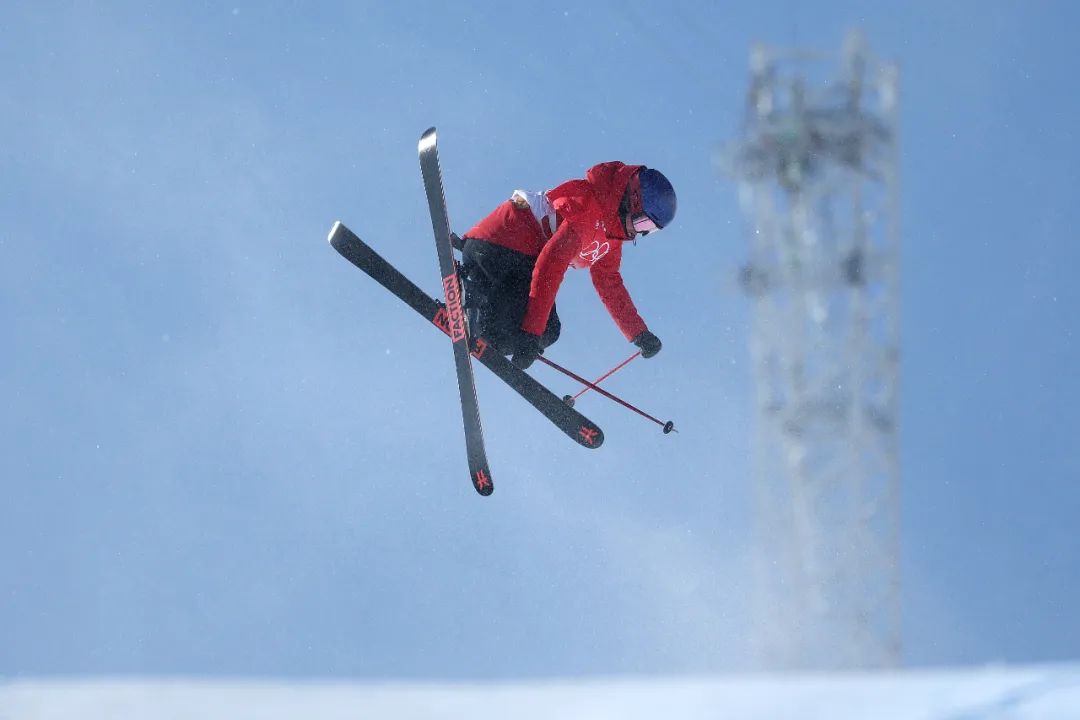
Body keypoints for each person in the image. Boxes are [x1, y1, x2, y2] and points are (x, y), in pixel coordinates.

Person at [458, 161, 676, 369]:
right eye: (643, 222)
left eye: (649, 230)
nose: (639, 231)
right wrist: (530, 333)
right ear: (632, 200)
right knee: (519, 330)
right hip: (497, 248)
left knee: (549, 331)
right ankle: (472, 300)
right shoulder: (588, 208)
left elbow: (609, 284)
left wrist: (638, 333)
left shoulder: (612, 237)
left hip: (518, 265)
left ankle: (481, 315)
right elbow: (550, 265)